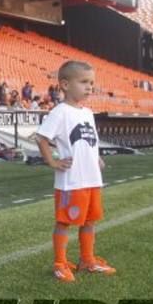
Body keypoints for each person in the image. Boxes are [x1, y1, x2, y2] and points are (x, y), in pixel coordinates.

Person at [35, 60, 115, 283]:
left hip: (91, 178)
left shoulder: (88, 112)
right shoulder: (60, 112)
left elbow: (90, 141)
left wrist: (96, 157)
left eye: (91, 83)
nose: (89, 87)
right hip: (71, 180)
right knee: (64, 222)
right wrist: (52, 162)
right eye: (84, 82)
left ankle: (87, 260)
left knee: (90, 220)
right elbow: (42, 138)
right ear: (65, 84)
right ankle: (60, 264)